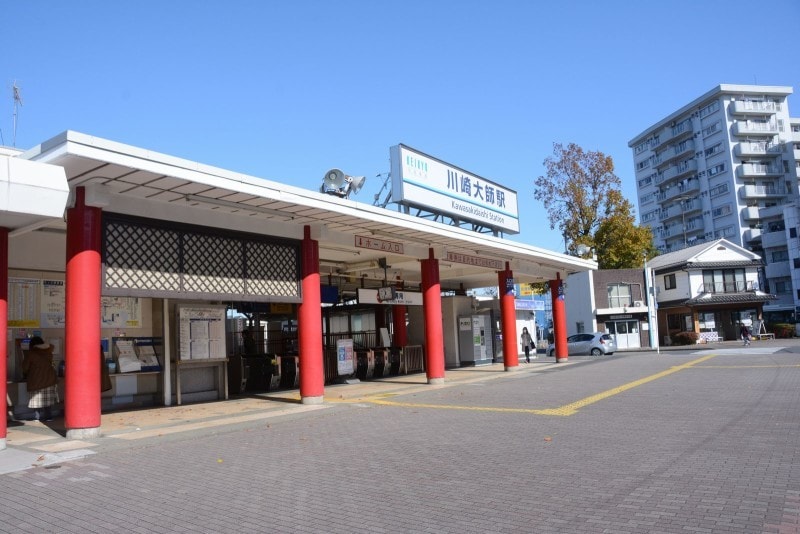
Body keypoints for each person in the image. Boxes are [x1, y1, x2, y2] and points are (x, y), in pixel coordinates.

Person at [22, 336, 59, 421]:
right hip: (50, 378)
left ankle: (37, 417)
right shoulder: (48, 351)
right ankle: (48, 417)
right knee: (47, 399)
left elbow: (25, 367)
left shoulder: (31, 353)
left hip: (36, 380)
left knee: (36, 400)